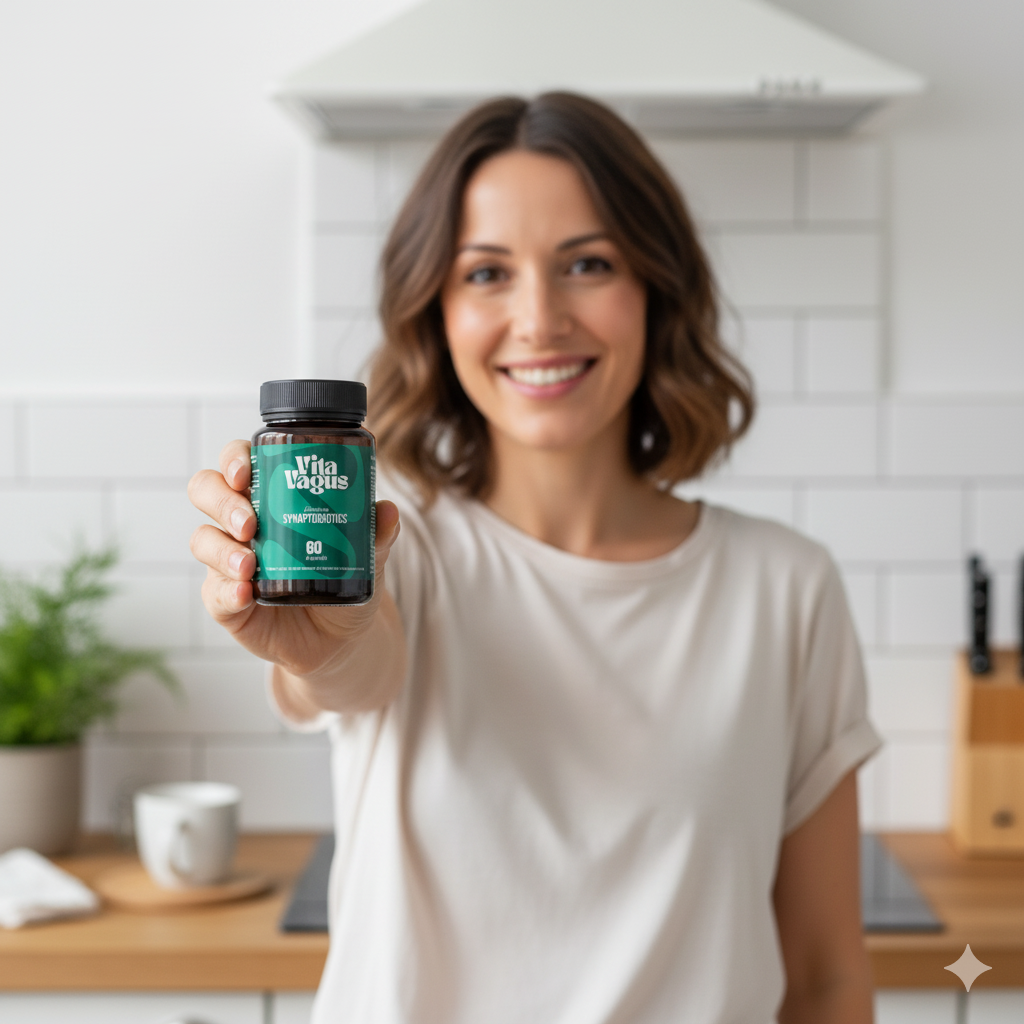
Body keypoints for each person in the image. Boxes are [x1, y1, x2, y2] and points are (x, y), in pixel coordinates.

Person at [188, 93, 882, 1023]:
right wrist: (319, 645)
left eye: (587, 264)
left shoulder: (787, 590)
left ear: (656, 290)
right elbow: (351, 664)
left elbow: (829, 974)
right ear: (436, 312)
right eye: (487, 274)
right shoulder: (398, 549)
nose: (540, 318)